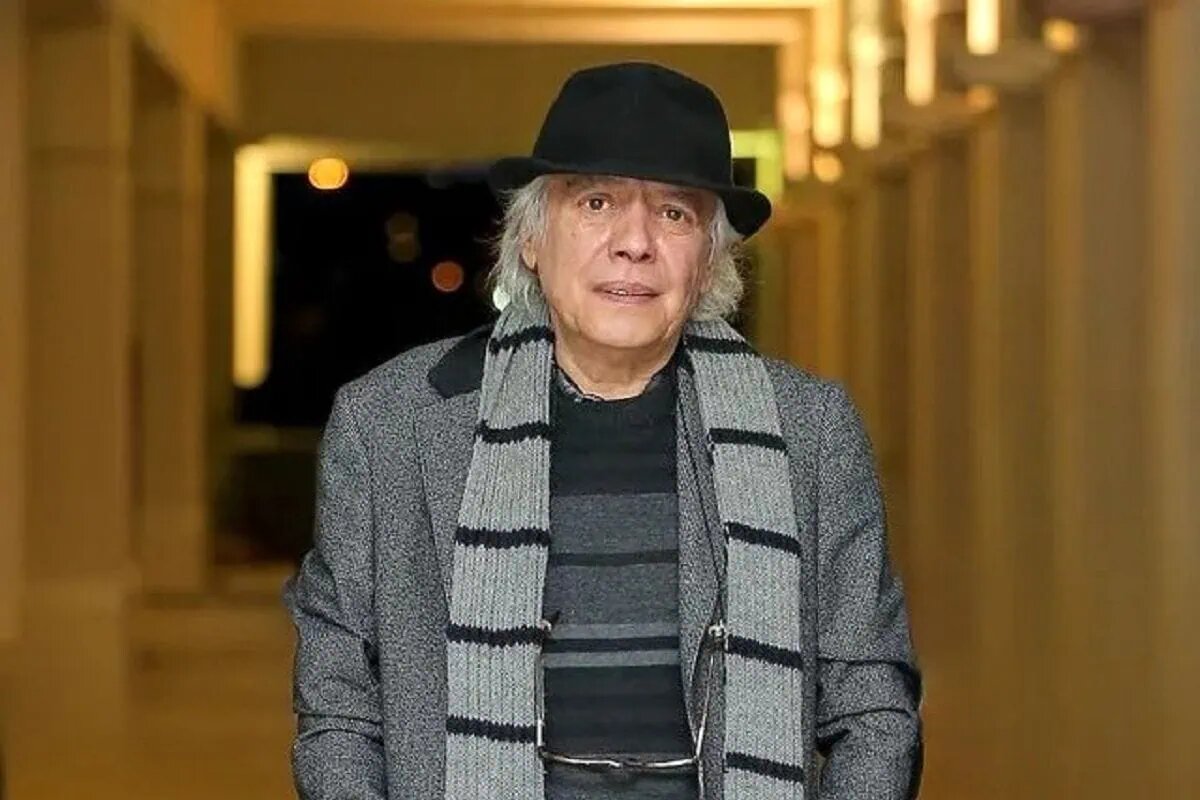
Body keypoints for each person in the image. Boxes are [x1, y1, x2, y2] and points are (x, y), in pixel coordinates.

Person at [285, 61, 923, 800]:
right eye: (596, 202)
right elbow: (337, 707)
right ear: (532, 240)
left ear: (709, 259)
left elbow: (873, 708)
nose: (635, 243)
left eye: (675, 214)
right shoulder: (387, 425)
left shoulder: (810, 432)